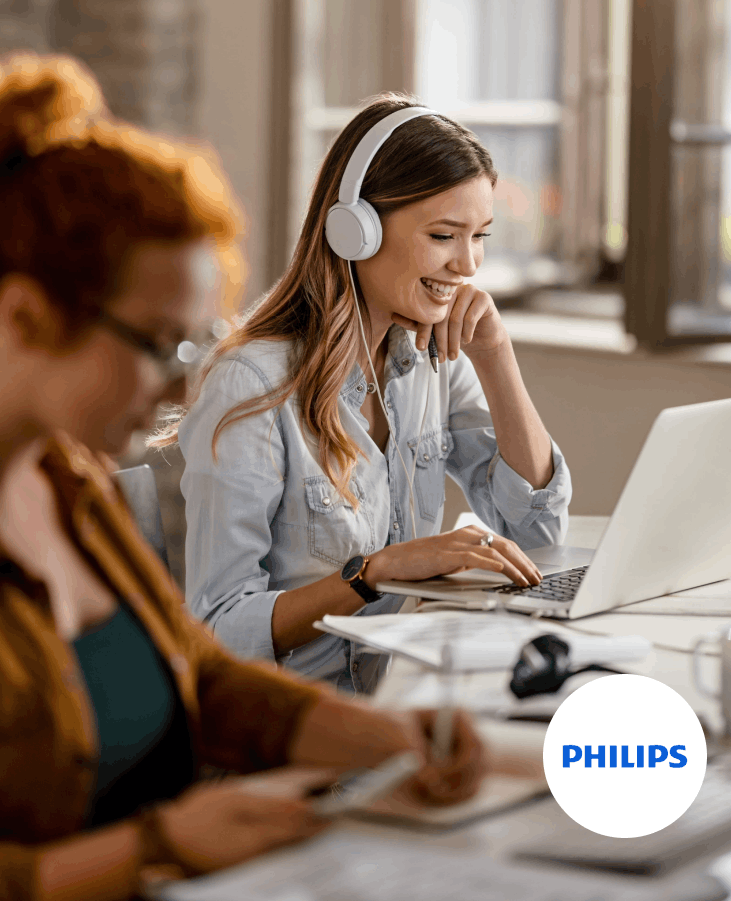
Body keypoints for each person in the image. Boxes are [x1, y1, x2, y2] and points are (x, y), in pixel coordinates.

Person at [0, 58, 485, 901]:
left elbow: (197, 671)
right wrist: (153, 846)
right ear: (24, 317)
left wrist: (386, 736)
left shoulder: (65, 483)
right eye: (160, 344)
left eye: (196, 342)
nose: (184, 385)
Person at [158, 94, 572, 693]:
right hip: (304, 717)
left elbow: (538, 530)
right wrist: (371, 575)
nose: (467, 264)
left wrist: (495, 354)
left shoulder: (430, 357)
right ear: (355, 231)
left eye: (479, 236)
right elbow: (219, 630)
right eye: (443, 235)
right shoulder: (251, 385)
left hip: (404, 691)